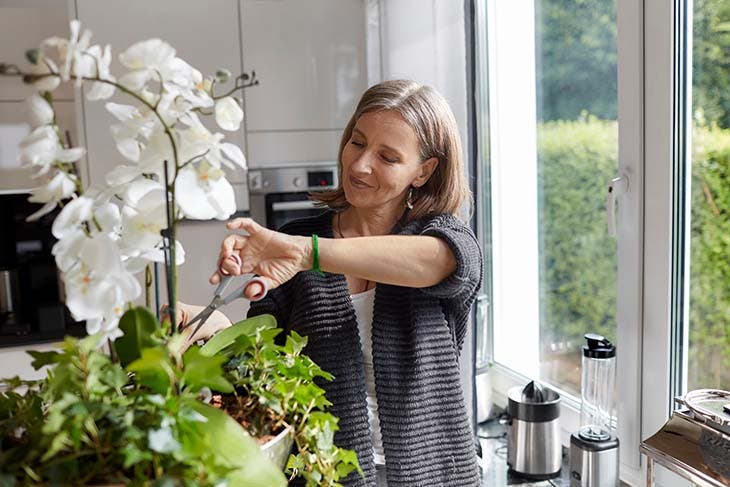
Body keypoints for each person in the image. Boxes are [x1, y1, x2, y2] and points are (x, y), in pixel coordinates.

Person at [179, 79, 483, 487]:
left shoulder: (445, 240)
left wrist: (308, 254)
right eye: (357, 143)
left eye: (388, 157)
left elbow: (438, 262)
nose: (360, 166)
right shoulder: (298, 237)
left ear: (423, 171)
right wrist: (210, 328)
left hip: (435, 475)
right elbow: (265, 365)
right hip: (323, 475)